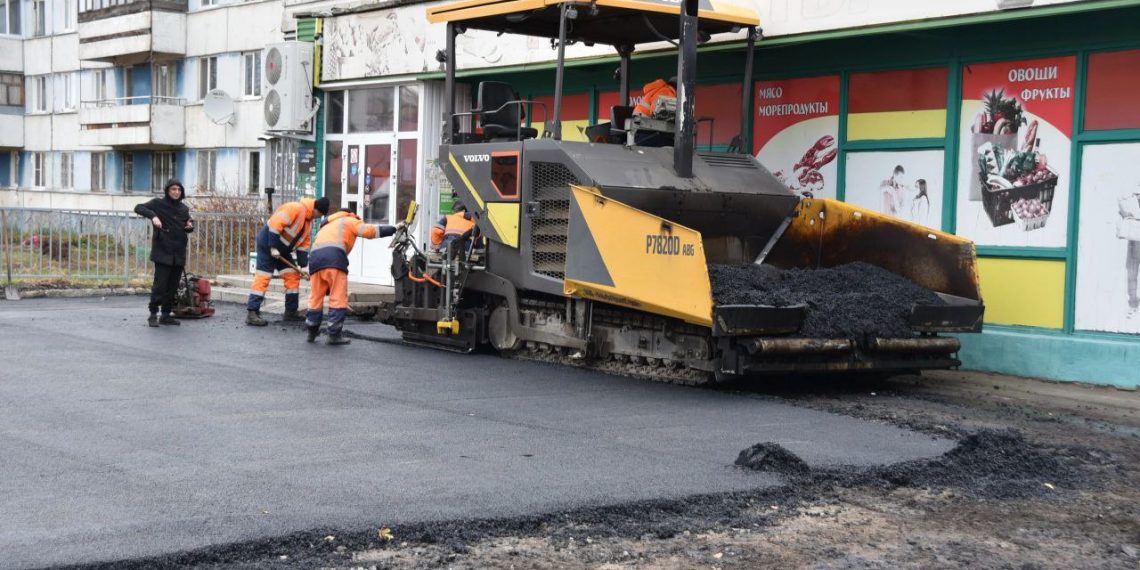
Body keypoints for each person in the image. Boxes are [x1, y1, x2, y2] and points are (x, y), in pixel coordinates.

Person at [305, 208, 404, 345]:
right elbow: (370, 231)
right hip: (334, 260)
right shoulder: (350, 220)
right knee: (338, 298)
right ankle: (334, 335)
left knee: (315, 297)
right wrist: (393, 229)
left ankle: (311, 331)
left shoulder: (326, 226)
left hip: (315, 261)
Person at [246, 196, 330, 326]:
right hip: (267, 245)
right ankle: (252, 312)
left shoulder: (309, 223)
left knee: (292, 275)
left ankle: (290, 312)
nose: (318, 217)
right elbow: (275, 224)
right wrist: (273, 247)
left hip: (283, 252)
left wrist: (304, 267)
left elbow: (304, 245)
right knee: (264, 276)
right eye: (319, 214)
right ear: (315, 208)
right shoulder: (295, 208)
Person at [134, 179, 194, 327]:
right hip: (163, 251)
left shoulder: (183, 209)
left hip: (178, 252)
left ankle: (166, 315)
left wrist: (190, 226)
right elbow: (138, 207)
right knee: (160, 286)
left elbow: (189, 223)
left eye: (179, 190)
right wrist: (153, 216)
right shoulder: (158, 204)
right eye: (173, 189)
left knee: (173, 286)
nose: (176, 192)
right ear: (168, 190)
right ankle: (153, 314)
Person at [1119, 188, 1140, 318]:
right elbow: (1120, 204)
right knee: (1132, 274)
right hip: (1134, 242)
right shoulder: (1130, 198)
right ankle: (1133, 304)